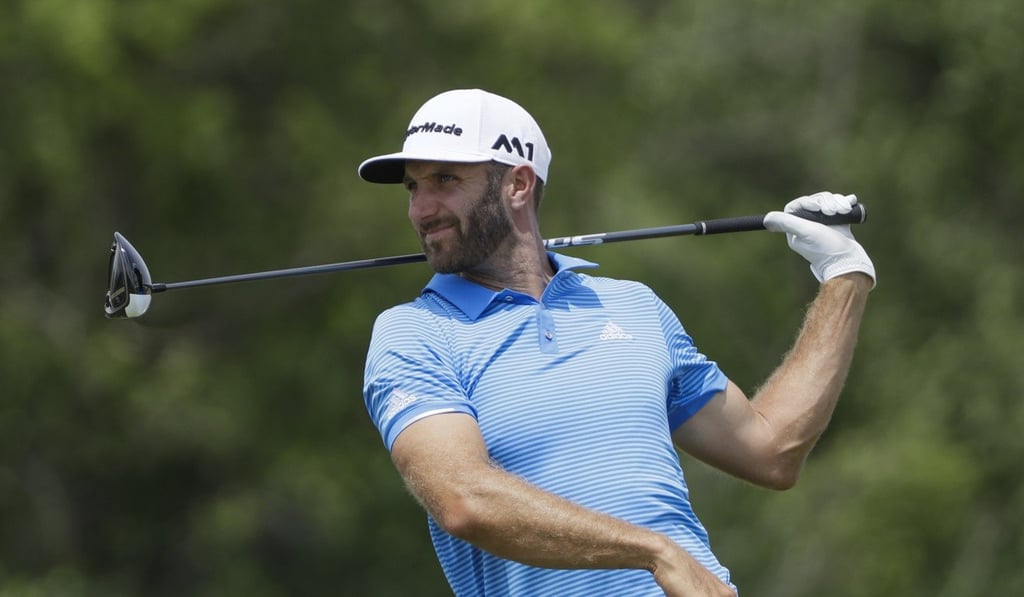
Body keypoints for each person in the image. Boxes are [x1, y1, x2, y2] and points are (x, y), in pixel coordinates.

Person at [359, 89, 875, 596]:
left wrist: (843, 276)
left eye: (445, 180)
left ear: (517, 184)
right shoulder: (413, 333)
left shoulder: (633, 306)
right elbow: (464, 498)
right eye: (412, 187)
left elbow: (771, 451)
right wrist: (654, 551)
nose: (421, 209)